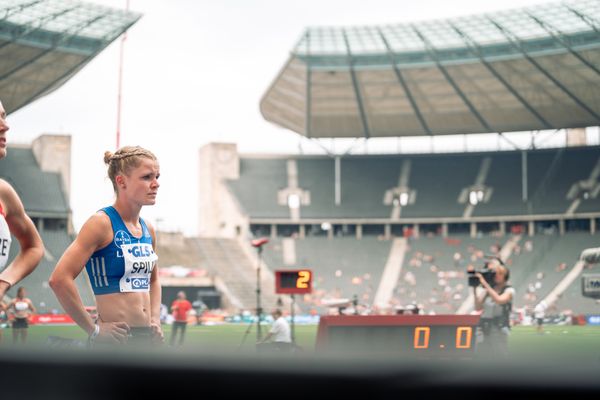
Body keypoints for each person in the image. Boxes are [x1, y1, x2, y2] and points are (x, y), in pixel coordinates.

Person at [49, 146, 163, 347]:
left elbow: (153, 281)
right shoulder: (101, 223)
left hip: (147, 340)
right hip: (115, 342)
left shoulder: (148, 229)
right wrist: (94, 331)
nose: (156, 184)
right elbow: (59, 279)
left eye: (157, 176)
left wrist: (155, 320)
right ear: (121, 181)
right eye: (147, 177)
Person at [0, 99, 44, 305]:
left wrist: (3, 283)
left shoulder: (3, 193)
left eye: (3, 116)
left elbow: (34, 247)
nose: (5, 126)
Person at [473, 259, 514, 358]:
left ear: (505, 277)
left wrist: (485, 284)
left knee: (499, 355)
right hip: (484, 326)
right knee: (481, 355)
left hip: (498, 327)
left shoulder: (509, 290)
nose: (496, 276)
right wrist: (474, 289)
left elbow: (499, 300)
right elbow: (477, 307)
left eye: (499, 274)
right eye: (495, 273)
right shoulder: (488, 290)